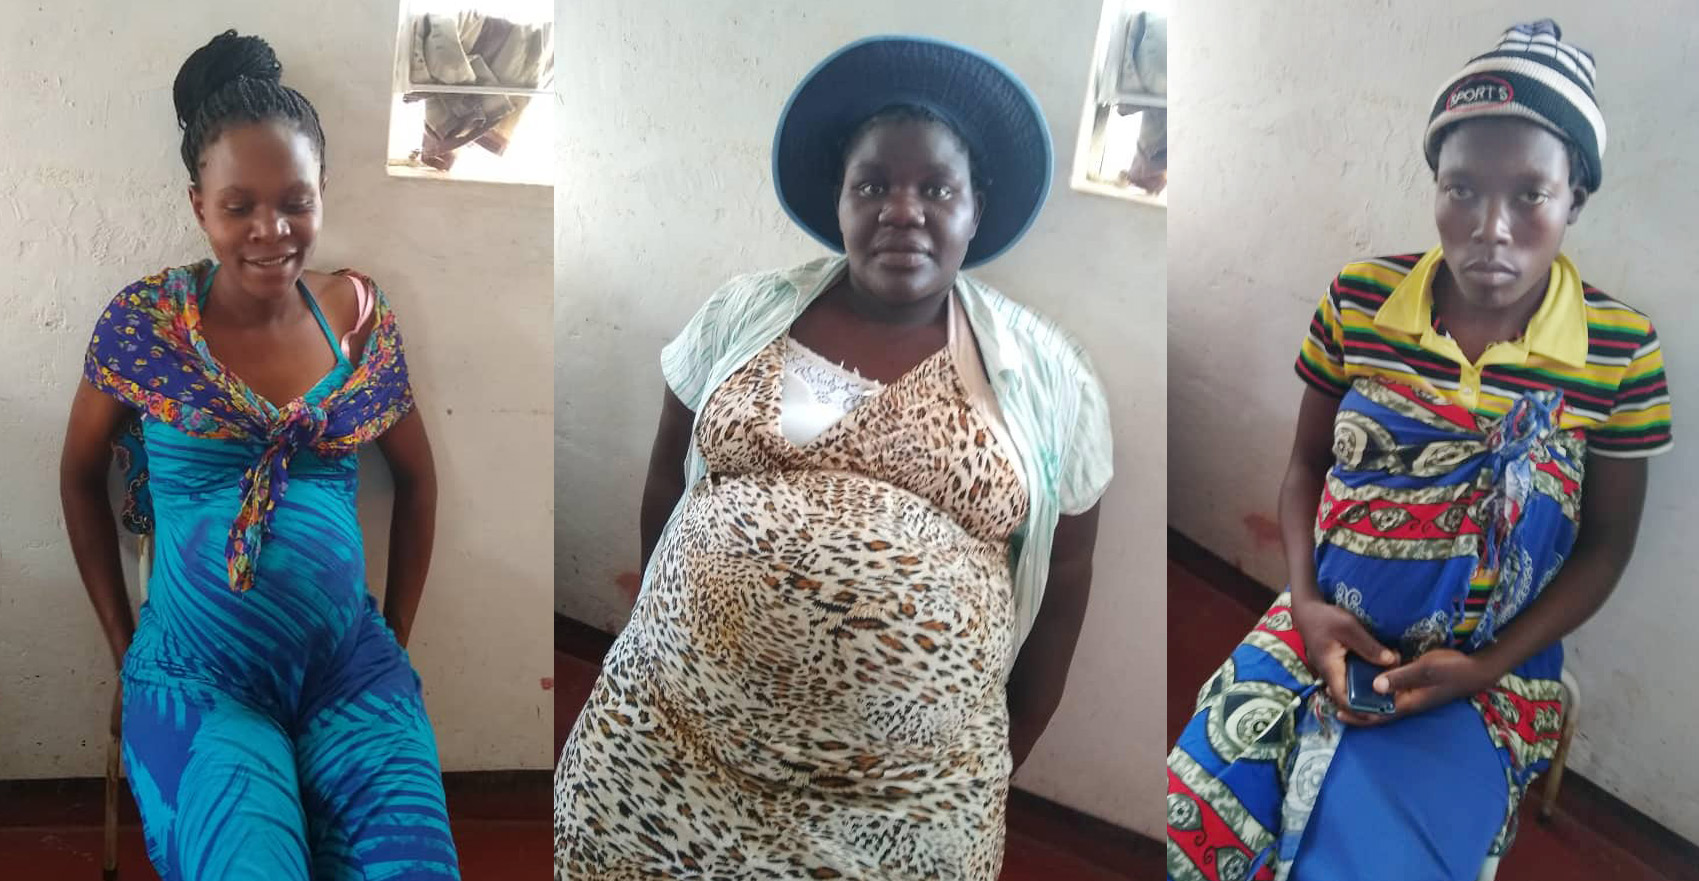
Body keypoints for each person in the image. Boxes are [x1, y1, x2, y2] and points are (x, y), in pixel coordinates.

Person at [554, 35, 1113, 880]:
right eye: (872, 185)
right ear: (839, 199)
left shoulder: (1048, 377)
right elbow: (667, 475)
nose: (902, 210)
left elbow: (1067, 579)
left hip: (900, 800)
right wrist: (667, 633)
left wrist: (1006, 749)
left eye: (935, 188)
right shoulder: (743, 312)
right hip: (670, 743)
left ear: (976, 206)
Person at [1166, 21, 1672, 881]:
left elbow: (1605, 545)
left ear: (1575, 199)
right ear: (1432, 186)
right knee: (1194, 829)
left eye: (1529, 195)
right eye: (1461, 188)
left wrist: (1483, 668)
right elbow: (1305, 468)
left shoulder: (1618, 350)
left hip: (1493, 663)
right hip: (1319, 621)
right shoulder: (1359, 302)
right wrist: (1304, 604)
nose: (1489, 229)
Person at [59, 30, 458, 881]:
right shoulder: (149, 328)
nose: (272, 230)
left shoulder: (356, 318)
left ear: (322, 196)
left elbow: (418, 482)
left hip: (349, 668)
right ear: (197, 204)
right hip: (198, 679)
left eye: (296, 201)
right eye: (239, 205)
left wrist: (397, 641)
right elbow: (77, 474)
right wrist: (123, 651)